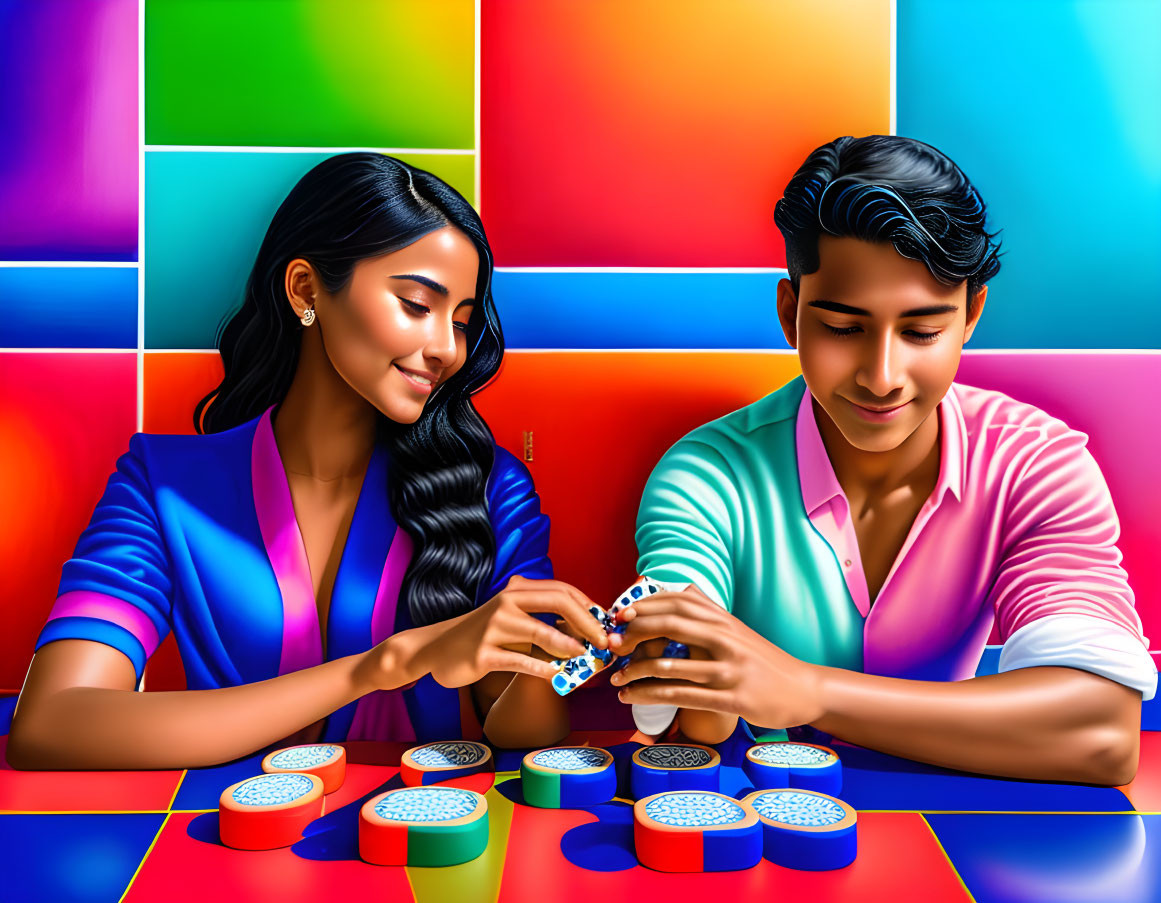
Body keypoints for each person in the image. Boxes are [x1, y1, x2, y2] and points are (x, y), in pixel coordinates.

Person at [8, 153, 607, 770]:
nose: (445, 349)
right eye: (416, 305)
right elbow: (54, 722)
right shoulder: (164, 486)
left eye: (460, 321)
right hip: (215, 838)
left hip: (417, 828)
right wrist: (383, 667)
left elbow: (525, 734)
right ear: (305, 289)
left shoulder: (490, 488)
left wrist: (544, 659)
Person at [612, 135, 1155, 786]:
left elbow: (1101, 732)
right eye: (843, 328)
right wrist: (673, 654)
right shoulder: (706, 473)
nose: (881, 376)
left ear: (970, 313)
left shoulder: (1035, 466)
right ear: (790, 315)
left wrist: (809, 690)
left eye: (922, 330)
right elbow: (677, 664)